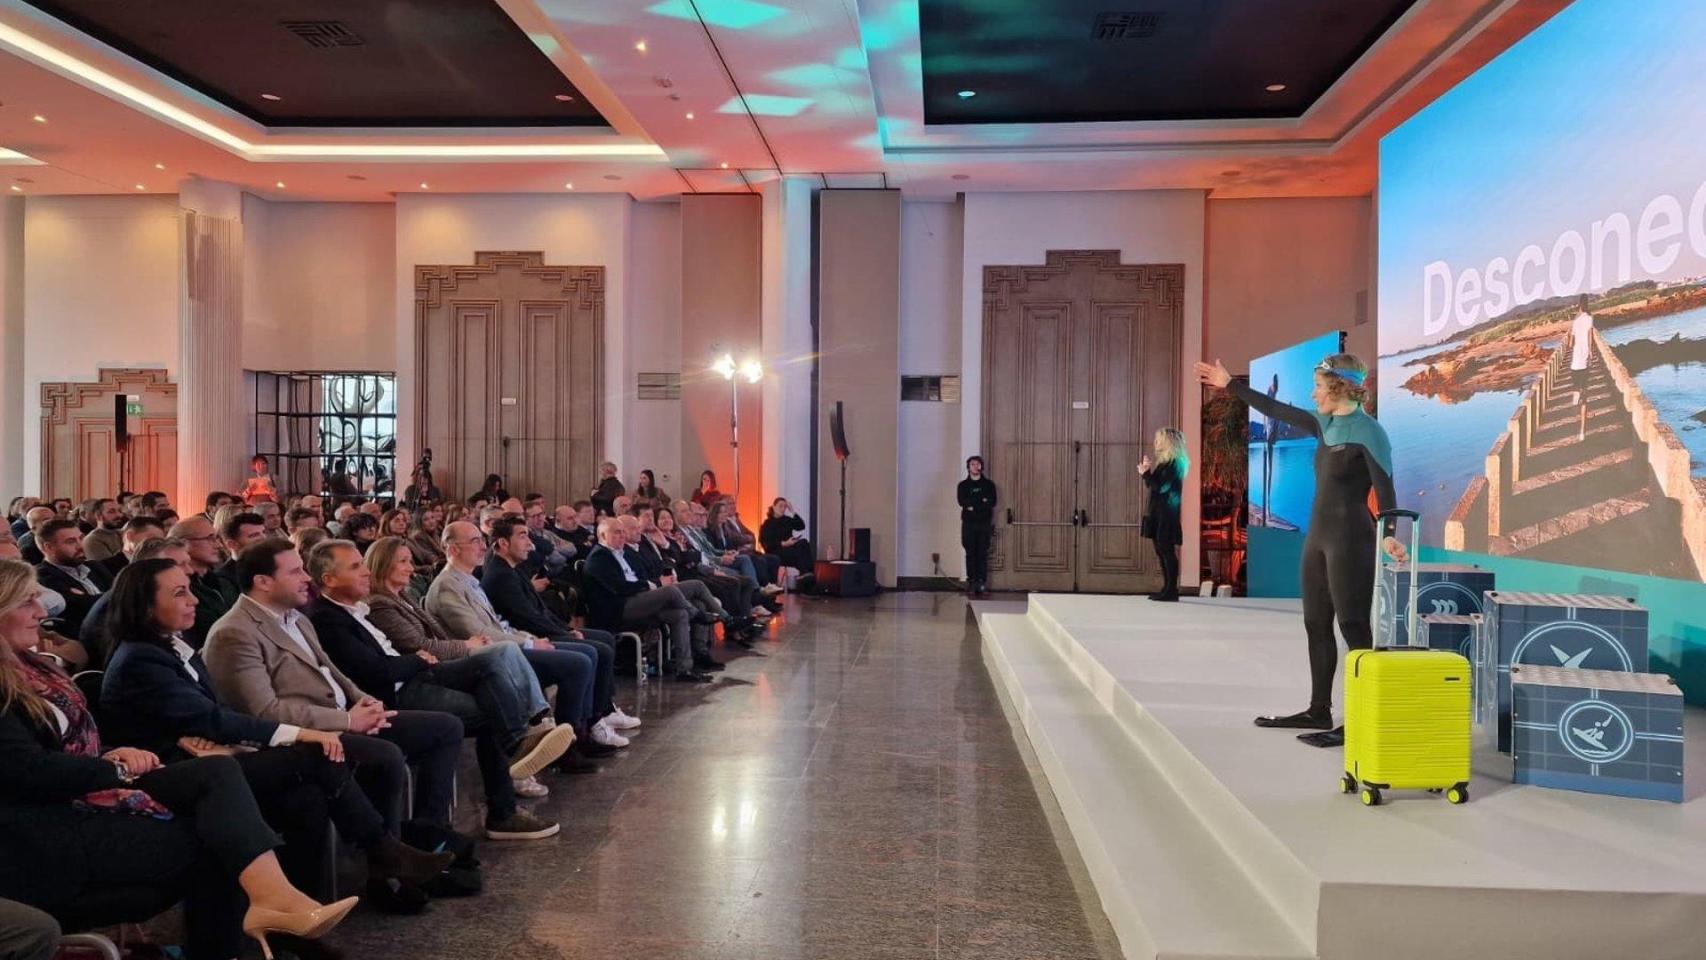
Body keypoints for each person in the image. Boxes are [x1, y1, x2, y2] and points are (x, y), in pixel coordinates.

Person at [0, 560, 358, 960]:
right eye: (26, 602)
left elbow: (62, 746)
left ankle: (276, 908)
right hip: (39, 833)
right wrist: (113, 767)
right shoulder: (132, 659)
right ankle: (277, 915)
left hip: (88, 792)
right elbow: (28, 770)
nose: (42, 611)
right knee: (225, 833)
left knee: (236, 779)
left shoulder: (31, 667)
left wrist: (111, 754)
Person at [98, 559, 455, 898]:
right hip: (175, 771)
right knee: (318, 753)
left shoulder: (172, 646)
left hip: (212, 753)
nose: (193, 599)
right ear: (145, 606)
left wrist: (360, 705)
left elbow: (212, 712)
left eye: (190, 589)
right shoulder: (141, 659)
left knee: (307, 799)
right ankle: (383, 851)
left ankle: (310, 908)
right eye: (179, 593)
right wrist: (305, 733)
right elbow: (215, 719)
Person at [1197, 353, 1404, 748]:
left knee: (1353, 627)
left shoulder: (1371, 432)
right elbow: (1275, 409)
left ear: (1340, 388)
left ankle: (1362, 718)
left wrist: (1390, 534)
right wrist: (1230, 384)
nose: (1313, 394)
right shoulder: (1324, 423)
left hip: (1351, 540)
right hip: (1318, 539)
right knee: (1315, 623)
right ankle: (1318, 709)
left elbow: (1387, 492)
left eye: (1319, 387)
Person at [303, 540, 565, 840]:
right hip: (396, 691)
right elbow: (377, 670)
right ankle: (513, 763)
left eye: (363, 563)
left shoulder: (359, 608)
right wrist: (418, 659)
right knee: (493, 695)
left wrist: (421, 658)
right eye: (355, 567)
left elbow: (403, 652)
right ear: (329, 579)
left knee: (494, 667)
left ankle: (518, 747)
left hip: (416, 673)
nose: (366, 572)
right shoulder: (331, 617)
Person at [201, 541, 467, 832]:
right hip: (303, 736)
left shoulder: (297, 618)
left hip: (342, 716)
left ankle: (428, 831)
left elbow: (333, 673)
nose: (307, 578)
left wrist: (366, 702)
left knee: (446, 727)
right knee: (384, 756)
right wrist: (348, 721)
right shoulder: (234, 633)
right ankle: (386, 850)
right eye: (295, 572)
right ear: (263, 582)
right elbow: (264, 712)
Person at [425, 522, 633, 771]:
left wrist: (531, 639)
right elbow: (478, 633)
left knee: (587, 654)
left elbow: (500, 625)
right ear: (453, 549)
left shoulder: (468, 580)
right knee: (578, 662)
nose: (483, 546)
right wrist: (530, 642)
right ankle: (566, 745)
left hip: (506, 647)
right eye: (475, 541)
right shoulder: (448, 585)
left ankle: (582, 731)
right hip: (485, 659)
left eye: (482, 540)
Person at [479, 519, 631, 747]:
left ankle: (599, 714)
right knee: (591, 652)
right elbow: (527, 618)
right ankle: (579, 730)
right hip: (528, 635)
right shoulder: (500, 575)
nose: (530, 544)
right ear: (502, 543)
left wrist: (567, 629)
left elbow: (539, 610)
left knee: (604, 640)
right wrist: (565, 633)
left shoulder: (513, 569)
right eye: (522, 536)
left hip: (538, 629)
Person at [583, 518, 711, 684]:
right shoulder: (599, 557)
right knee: (670, 591)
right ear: (602, 535)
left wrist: (652, 584)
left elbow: (641, 575)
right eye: (616, 533)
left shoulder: (623, 553)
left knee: (679, 613)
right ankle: (698, 615)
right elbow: (619, 588)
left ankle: (684, 669)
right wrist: (653, 585)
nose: (622, 536)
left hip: (638, 598)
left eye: (622, 532)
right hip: (619, 608)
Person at [34, 519, 113, 639]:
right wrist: (113, 596)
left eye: (81, 538)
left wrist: (89, 598)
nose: (80, 546)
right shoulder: (42, 576)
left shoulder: (95, 566)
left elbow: (124, 595)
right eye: (71, 542)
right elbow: (79, 608)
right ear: (48, 547)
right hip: (85, 639)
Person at [1139, 428, 1188, 603]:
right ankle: (1167, 588)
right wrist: (1147, 472)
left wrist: (1146, 474)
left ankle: (1171, 590)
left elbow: (1161, 487)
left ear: (1169, 442)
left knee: (1166, 551)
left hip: (1166, 514)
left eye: (1159, 439)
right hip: (1158, 512)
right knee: (1161, 550)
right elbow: (1155, 485)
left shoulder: (1175, 464)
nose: (1156, 442)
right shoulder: (1166, 463)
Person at [957, 455, 997, 598]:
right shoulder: (963, 485)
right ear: (968, 467)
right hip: (969, 524)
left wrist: (973, 506)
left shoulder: (989, 485)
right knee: (970, 553)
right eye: (972, 464)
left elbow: (992, 502)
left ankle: (982, 582)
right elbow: (962, 502)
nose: (975, 466)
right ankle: (971, 582)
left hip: (984, 523)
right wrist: (981, 501)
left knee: (982, 553)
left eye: (978, 464)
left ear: (981, 466)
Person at [759, 498, 813, 589]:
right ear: (773, 507)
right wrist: (784, 543)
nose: (783, 509)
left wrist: (792, 511)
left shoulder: (786, 520)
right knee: (801, 555)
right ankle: (806, 576)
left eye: (785, 507)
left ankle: (806, 574)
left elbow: (801, 526)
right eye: (780, 506)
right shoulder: (767, 524)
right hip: (777, 551)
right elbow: (767, 545)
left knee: (803, 543)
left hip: (790, 548)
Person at [81, 498, 126, 564]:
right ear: (98, 516)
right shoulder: (92, 540)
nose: (119, 515)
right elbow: (107, 567)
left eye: (119, 511)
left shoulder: (122, 533)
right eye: (111, 512)